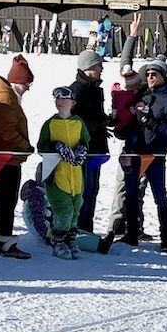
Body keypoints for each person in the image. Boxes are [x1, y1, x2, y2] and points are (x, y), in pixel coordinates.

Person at [122, 59, 167, 252]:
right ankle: (131, 235)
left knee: (160, 197)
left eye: (153, 74)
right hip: (135, 154)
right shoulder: (143, 94)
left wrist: (151, 123)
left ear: (162, 76)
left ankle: (166, 239)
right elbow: (132, 118)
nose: (149, 77)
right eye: (147, 74)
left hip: (155, 156)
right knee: (131, 195)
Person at [0, 54, 36, 259]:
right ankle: (4, 243)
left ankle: (2, 240)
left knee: (5, 200)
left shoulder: (6, 95)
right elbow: (8, 133)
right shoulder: (5, 99)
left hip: (2, 154)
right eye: (26, 84)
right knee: (7, 200)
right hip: (4, 156)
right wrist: (25, 147)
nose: (28, 88)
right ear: (16, 82)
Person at [35, 86, 101, 258]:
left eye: (64, 99)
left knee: (75, 211)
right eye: (57, 99)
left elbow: (86, 140)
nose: (60, 102)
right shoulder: (50, 124)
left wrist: (82, 149)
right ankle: (58, 242)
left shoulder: (78, 123)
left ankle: (70, 241)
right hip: (57, 176)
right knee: (63, 211)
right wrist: (55, 147)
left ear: (73, 102)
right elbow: (41, 147)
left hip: (77, 177)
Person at [69, 50, 112, 237]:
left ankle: (87, 228)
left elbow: (95, 115)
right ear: (89, 67)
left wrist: (108, 121)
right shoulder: (77, 89)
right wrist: (96, 126)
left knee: (93, 190)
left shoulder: (95, 88)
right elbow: (73, 118)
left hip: (97, 147)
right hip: (84, 149)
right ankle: (80, 229)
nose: (101, 68)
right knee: (85, 191)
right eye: (98, 65)